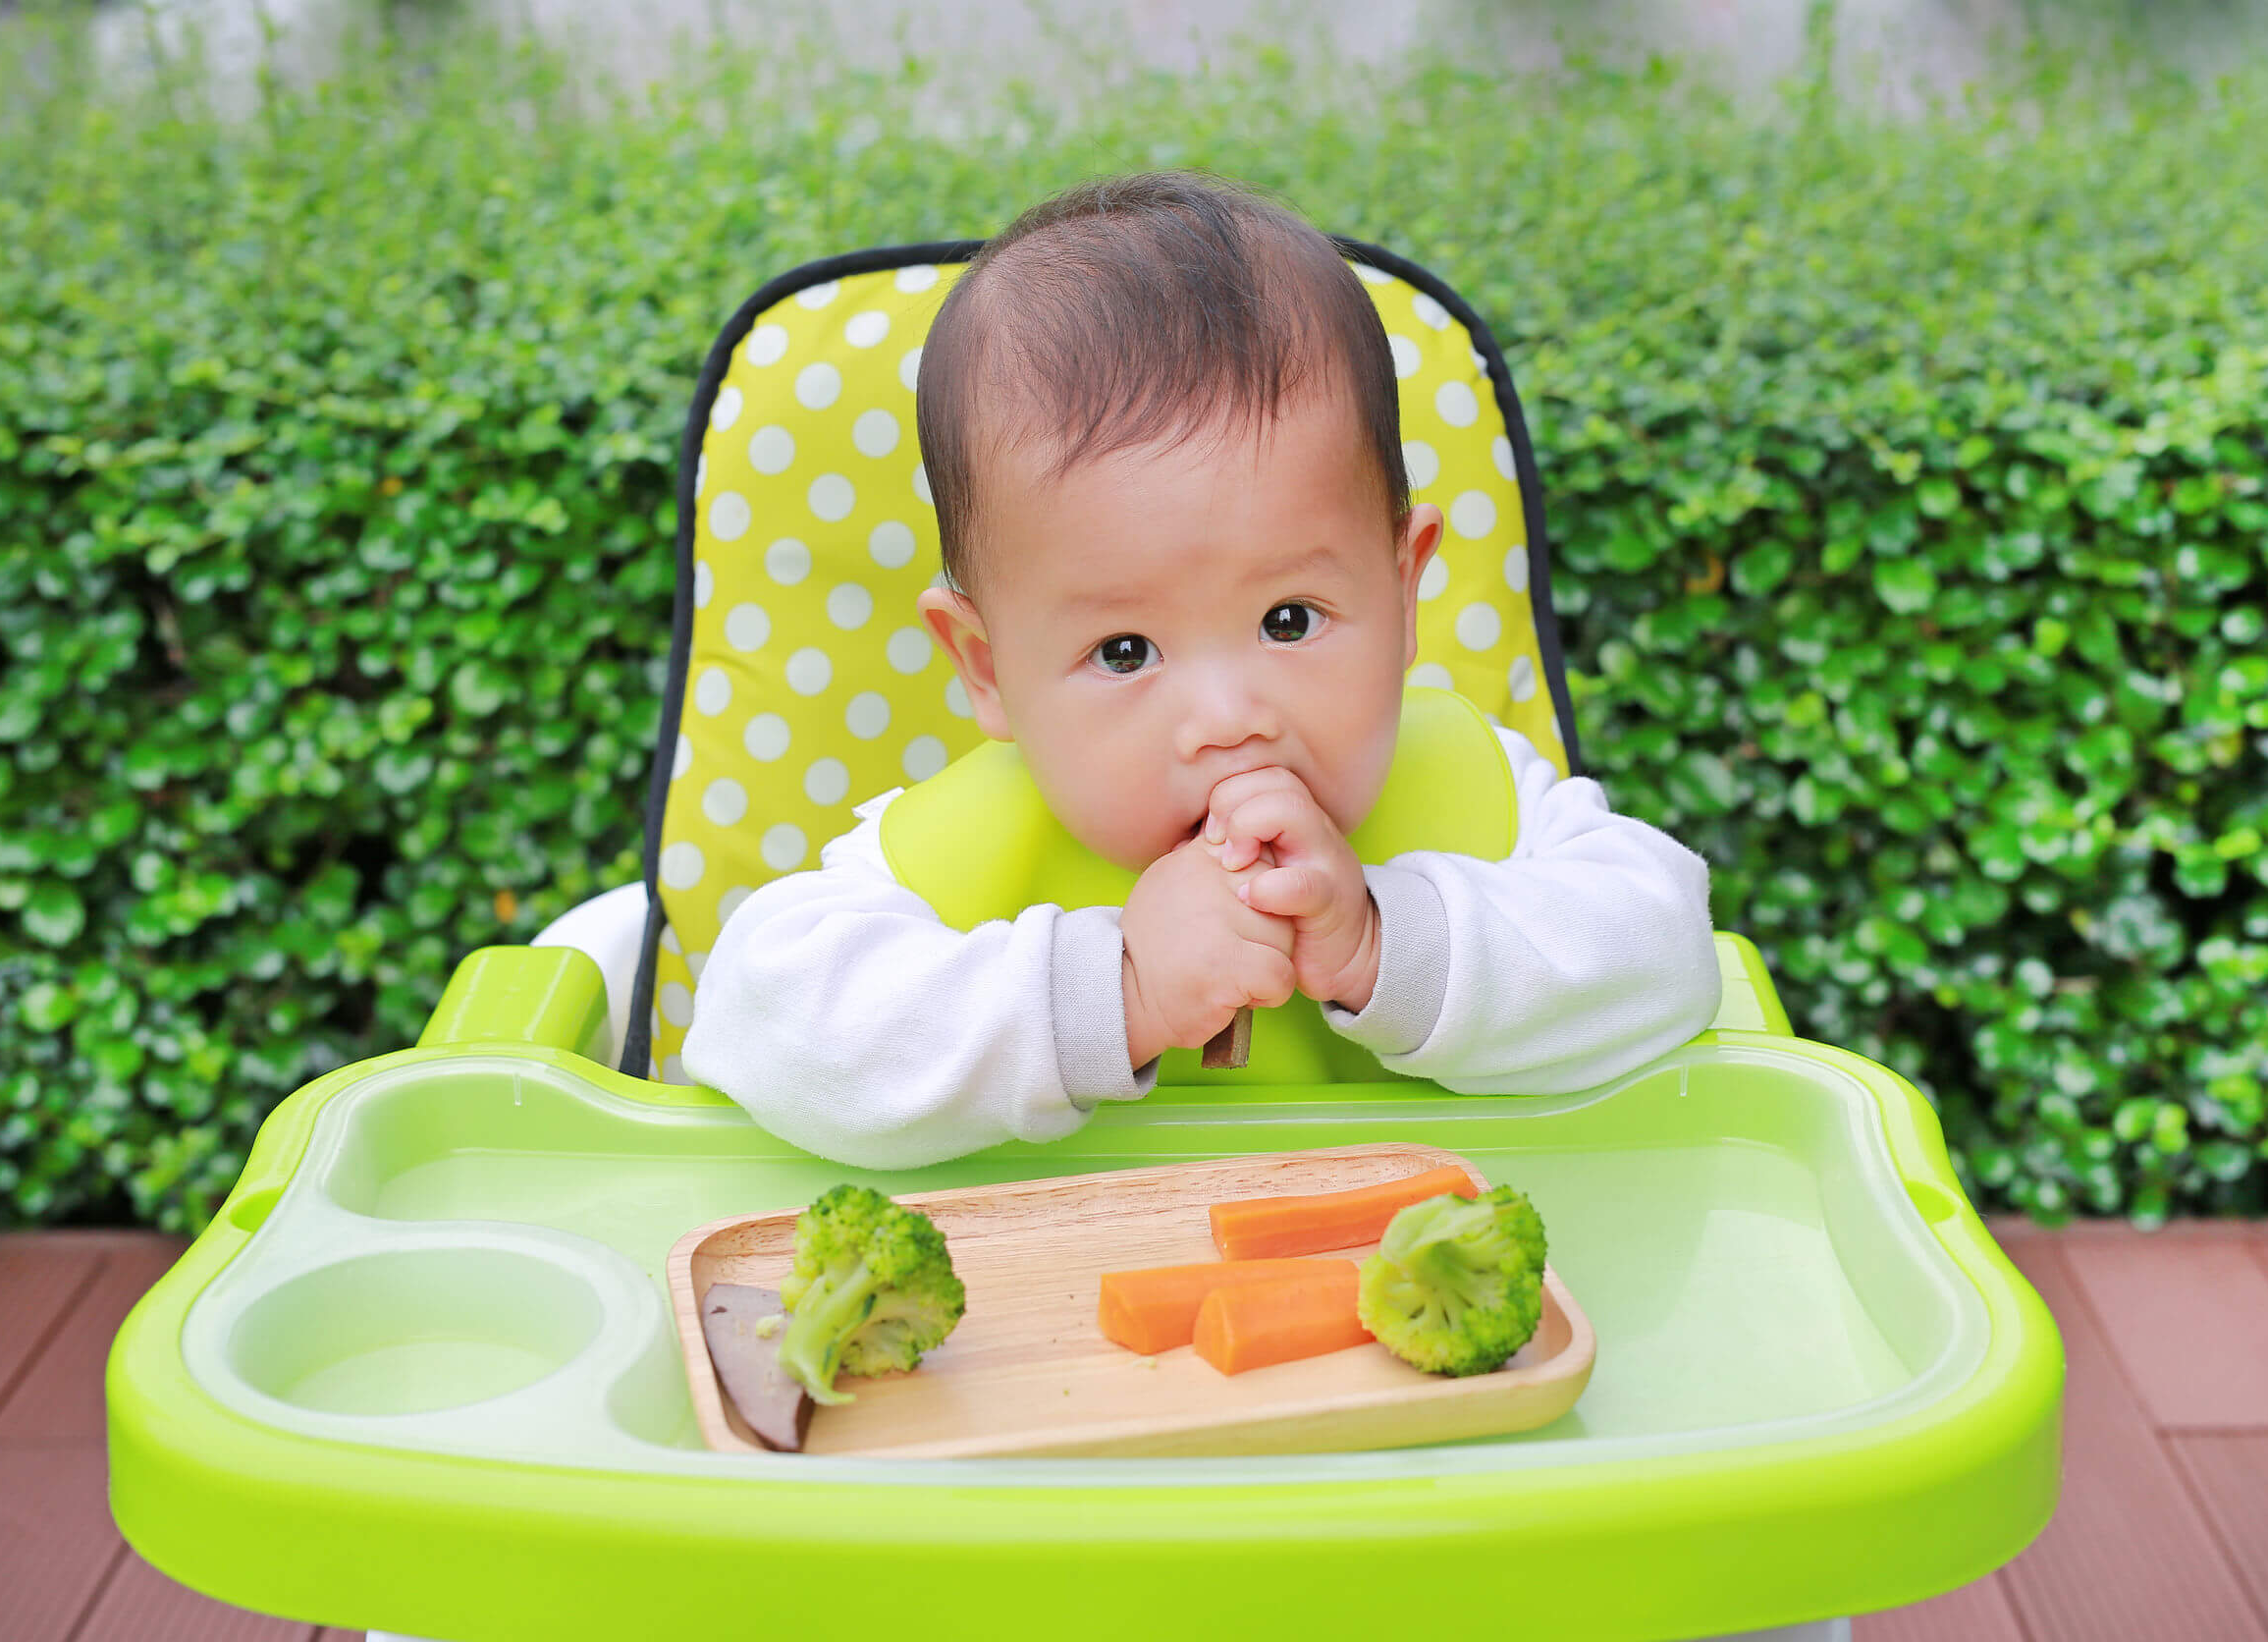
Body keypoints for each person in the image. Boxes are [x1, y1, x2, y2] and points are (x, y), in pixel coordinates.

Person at [681, 171, 1721, 1170]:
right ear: (987, 668)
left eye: (1289, 618)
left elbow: (1670, 956)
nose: (1228, 719)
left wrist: (1383, 944)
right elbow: (755, 1027)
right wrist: (1110, 994)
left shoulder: (1469, 786)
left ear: (1405, 595)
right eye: (1124, 652)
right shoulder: (968, 852)